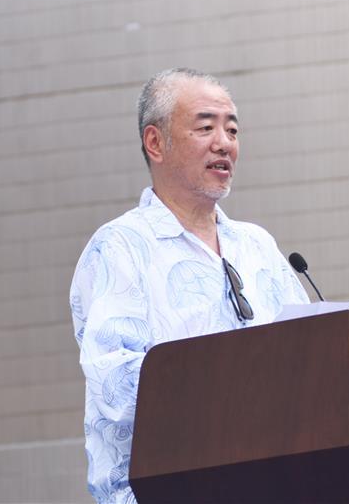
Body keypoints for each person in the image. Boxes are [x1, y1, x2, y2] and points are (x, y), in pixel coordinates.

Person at [69, 68, 309, 503]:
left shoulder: (256, 245)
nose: (224, 143)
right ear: (155, 142)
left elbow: (310, 356)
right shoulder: (120, 246)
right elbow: (116, 387)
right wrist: (235, 382)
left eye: (232, 129)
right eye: (205, 127)